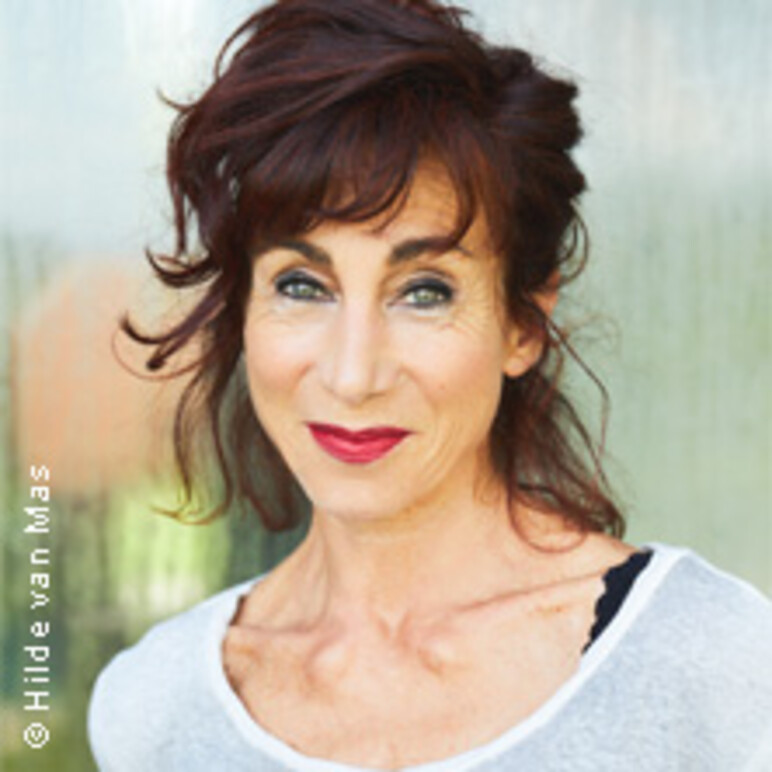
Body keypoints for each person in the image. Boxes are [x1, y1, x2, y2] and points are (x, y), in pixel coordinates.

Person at [87, 1, 772, 769]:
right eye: (302, 285)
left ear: (522, 326)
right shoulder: (153, 709)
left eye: (424, 292)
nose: (353, 376)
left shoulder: (715, 669)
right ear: (242, 309)